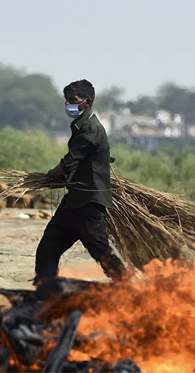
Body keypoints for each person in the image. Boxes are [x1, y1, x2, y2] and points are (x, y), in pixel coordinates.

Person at [34, 79, 125, 285]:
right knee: (48, 248)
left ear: (87, 102)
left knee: (101, 251)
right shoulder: (81, 127)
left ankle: (125, 285)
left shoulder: (91, 129)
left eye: (72, 100)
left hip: (89, 204)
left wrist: (52, 174)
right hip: (74, 202)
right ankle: (45, 288)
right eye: (66, 100)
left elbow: (69, 162)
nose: (68, 105)